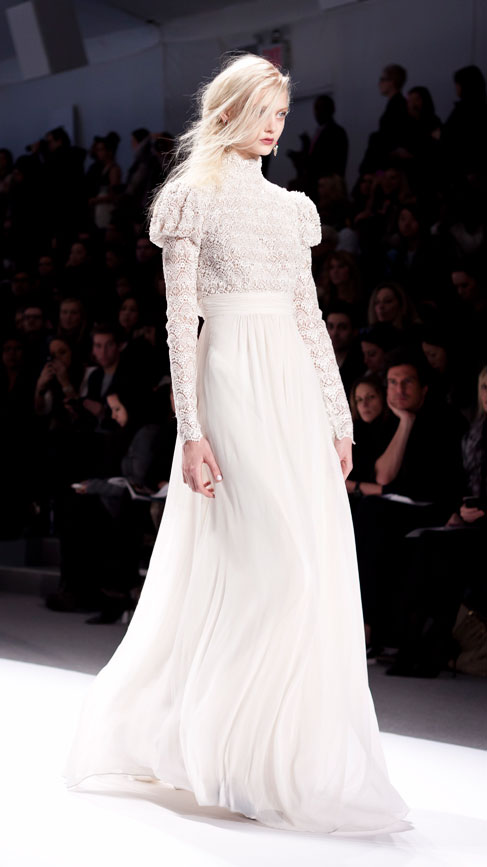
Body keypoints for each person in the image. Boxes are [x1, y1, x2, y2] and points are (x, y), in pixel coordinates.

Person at [64, 53, 411, 835]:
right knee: (271, 564)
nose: (273, 127)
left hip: (289, 389)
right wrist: (191, 431)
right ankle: (218, 747)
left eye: (281, 115)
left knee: (302, 568)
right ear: (226, 110)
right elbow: (178, 323)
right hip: (228, 383)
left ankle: (261, 759)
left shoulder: (289, 209)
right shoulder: (190, 198)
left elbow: (308, 316)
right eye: (263, 111)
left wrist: (338, 417)